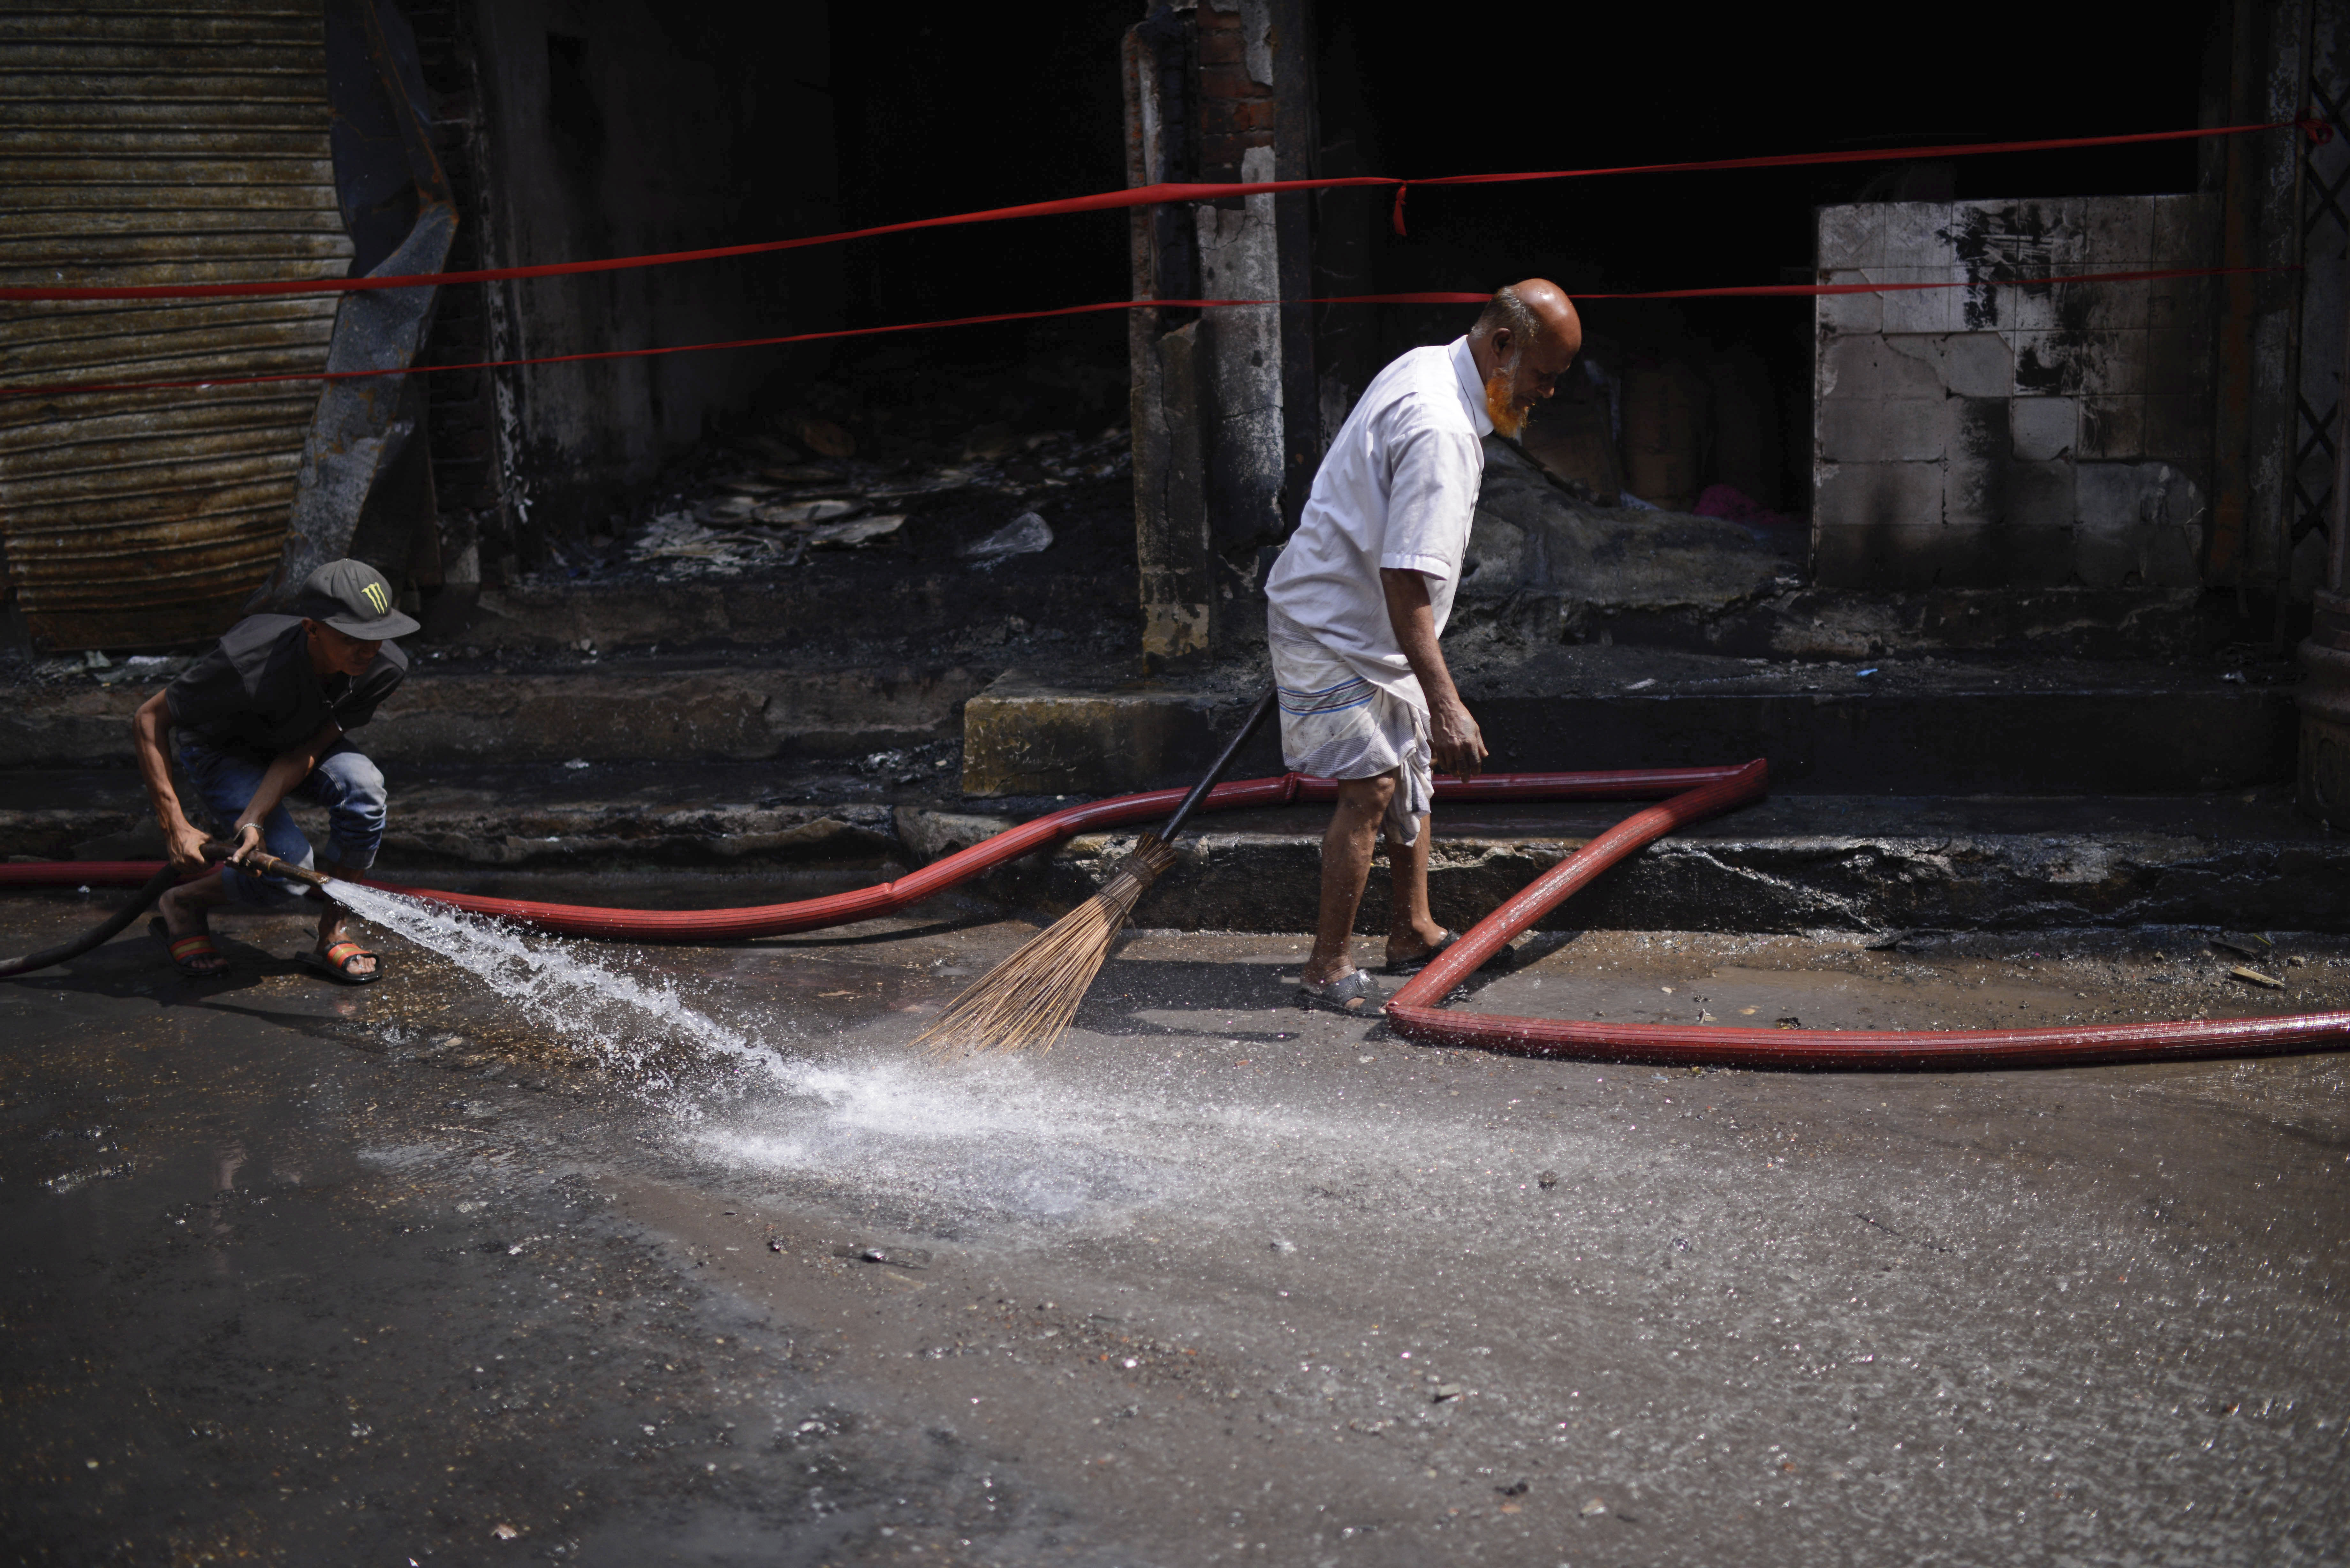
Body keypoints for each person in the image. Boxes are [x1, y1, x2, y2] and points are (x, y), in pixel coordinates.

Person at [1264, 280, 1583, 1014]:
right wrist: (1445, 700)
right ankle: (1325, 965)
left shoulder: (1429, 364)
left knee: (1412, 763)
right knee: (1372, 785)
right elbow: (1404, 574)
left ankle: (1411, 929)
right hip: (1331, 623)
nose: (1547, 393)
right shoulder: (1439, 425)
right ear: (1502, 346)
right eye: (1542, 376)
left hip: (1365, 620)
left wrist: (1426, 702)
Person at [132, 559, 418, 982]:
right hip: (223, 750)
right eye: (353, 638)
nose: (369, 650)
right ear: (311, 629)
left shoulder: (382, 666)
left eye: (378, 636)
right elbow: (148, 719)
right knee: (284, 871)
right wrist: (175, 825)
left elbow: (310, 748)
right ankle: (184, 902)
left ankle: (332, 931)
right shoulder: (247, 660)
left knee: (365, 791)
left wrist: (255, 815)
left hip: (294, 742)